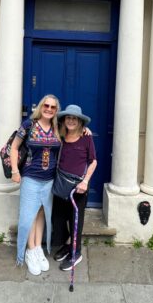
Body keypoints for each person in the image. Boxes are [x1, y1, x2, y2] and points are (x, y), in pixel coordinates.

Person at [10, 95, 61, 275]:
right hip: (31, 179)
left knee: (41, 213)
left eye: (53, 107)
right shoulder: (28, 125)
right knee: (29, 215)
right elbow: (14, 147)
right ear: (40, 106)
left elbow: (75, 131)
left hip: (49, 180)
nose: (49, 109)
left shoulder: (57, 127)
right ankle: (30, 250)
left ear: (56, 110)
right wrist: (15, 171)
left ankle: (38, 247)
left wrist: (84, 130)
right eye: (46, 105)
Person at [52, 104, 97, 271]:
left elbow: (93, 161)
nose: (71, 121)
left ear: (79, 122)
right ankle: (67, 245)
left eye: (74, 118)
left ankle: (76, 252)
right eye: (68, 118)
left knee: (75, 220)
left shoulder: (86, 138)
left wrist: (85, 182)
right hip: (61, 185)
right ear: (64, 120)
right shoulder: (60, 137)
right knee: (59, 218)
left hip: (78, 187)